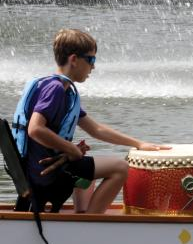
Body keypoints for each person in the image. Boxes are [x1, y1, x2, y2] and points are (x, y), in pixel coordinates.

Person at [12, 28, 169, 214]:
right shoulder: (56, 89)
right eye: (91, 60)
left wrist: (139, 143)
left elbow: (96, 129)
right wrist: (70, 149)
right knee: (120, 168)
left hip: (39, 167)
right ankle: (92, 223)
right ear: (74, 60)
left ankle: (82, 214)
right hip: (46, 172)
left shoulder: (51, 85)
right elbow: (35, 129)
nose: (93, 67)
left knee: (90, 164)